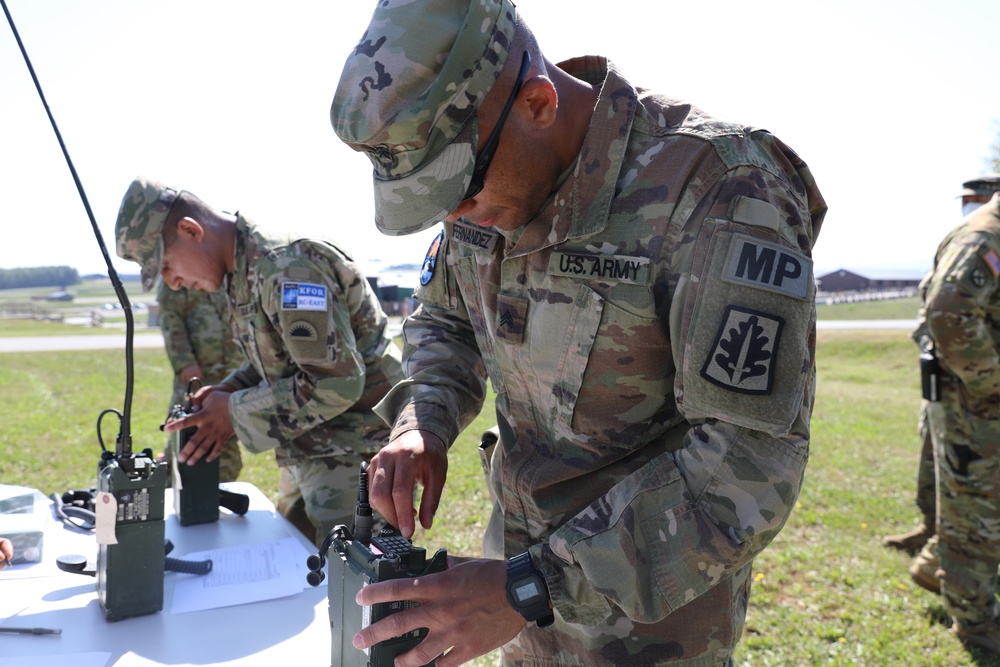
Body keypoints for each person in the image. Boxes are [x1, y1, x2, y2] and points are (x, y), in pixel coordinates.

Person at [329, 1, 826, 665]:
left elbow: (749, 460)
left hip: (649, 631)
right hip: (516, 605)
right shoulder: (484, 166)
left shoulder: (721, 187)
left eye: (462, 192)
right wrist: (422, 420)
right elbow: (446, 318)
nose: (454, 217)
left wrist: (530, 585)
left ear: (537, 102)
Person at [115, 178, 404, 544]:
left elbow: (336, 381)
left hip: (357, 448)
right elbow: (278, 358)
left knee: (360, 582)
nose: (172, 284)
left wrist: (232, 411)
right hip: (311, 445)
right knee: (301, 566)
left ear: (191, 230)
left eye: (167, 266)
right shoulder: (239, 272)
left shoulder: (287, 266)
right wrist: (228, 390)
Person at [902, 188, 1000, 654]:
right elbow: (947, 310)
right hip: (975, 403)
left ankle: (932, 565)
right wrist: (990, 383)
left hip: (974, 397)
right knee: (976, 513)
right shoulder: (987, 235)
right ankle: (977, 624)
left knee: (973, 504)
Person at [883, 175, 1000, 563]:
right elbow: (942, 306)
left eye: (973, 198)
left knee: (960, 467)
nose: (968, 205)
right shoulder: (977, 237)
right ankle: (935, 535)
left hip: (964, 376)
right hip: (960, 379)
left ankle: (939, 550)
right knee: (940, 453)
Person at [157, 281, 245, 482]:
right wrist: (184, 362)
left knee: (225, 438)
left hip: (231, 372)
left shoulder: (224, 271)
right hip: (198, 377)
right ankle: (173, 489)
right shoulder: (177, 275)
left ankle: (217, 487)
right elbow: (171, 321)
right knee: (186, 433)